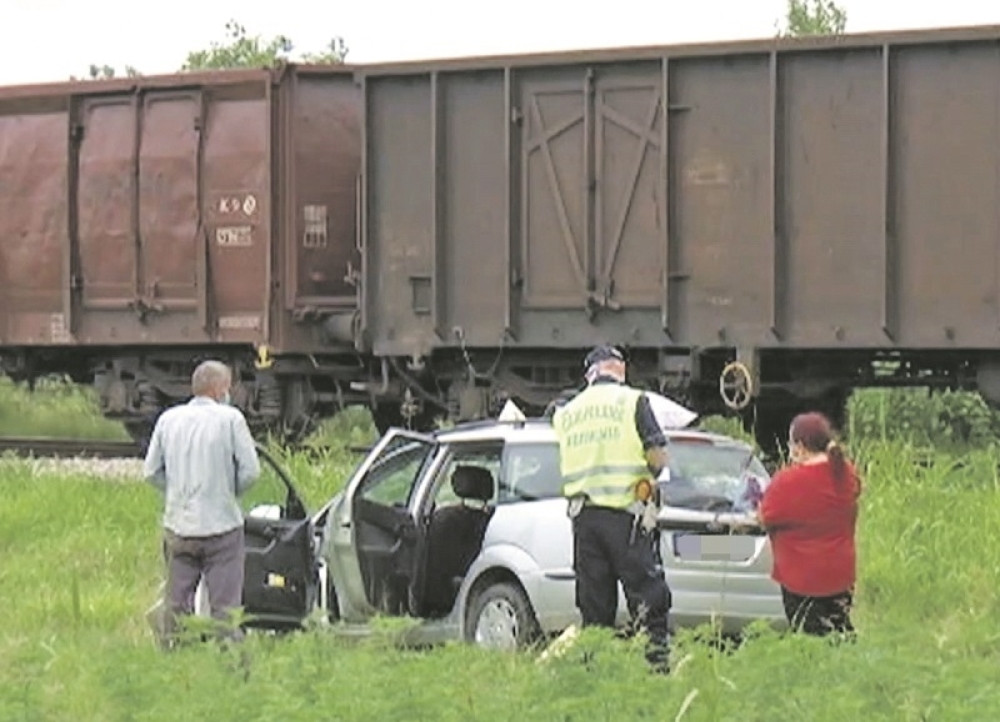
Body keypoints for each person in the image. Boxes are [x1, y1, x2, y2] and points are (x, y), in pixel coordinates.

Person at [551, 345, 672, 672]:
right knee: (648, 600)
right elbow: (657, 455)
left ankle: (596, 676)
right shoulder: (633, 401)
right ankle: (656, 672)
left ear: (590, 373)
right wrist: (653, 475)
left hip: (584, 520)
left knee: (595, 609)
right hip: (626, 518)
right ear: (620, 370)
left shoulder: (568, 412)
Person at [143, 360, 261, 647]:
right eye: (228, 387)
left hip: (178, 527)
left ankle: (173, 652)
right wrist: (227, 492)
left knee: (176, 602)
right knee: (225, 608)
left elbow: (151, 472)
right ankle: (229, 660)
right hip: (222, 528)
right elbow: (251, 471)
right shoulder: (231, 420)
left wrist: (176, 492)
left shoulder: (168, 420)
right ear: (220, 389)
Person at [757, 411, 861, 637]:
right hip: (840, 576)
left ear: (800, 447)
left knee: (810, 640)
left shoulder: (787, 481)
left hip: (801, 580)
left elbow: (764, 518)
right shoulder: (845, 473)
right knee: (840, 633)